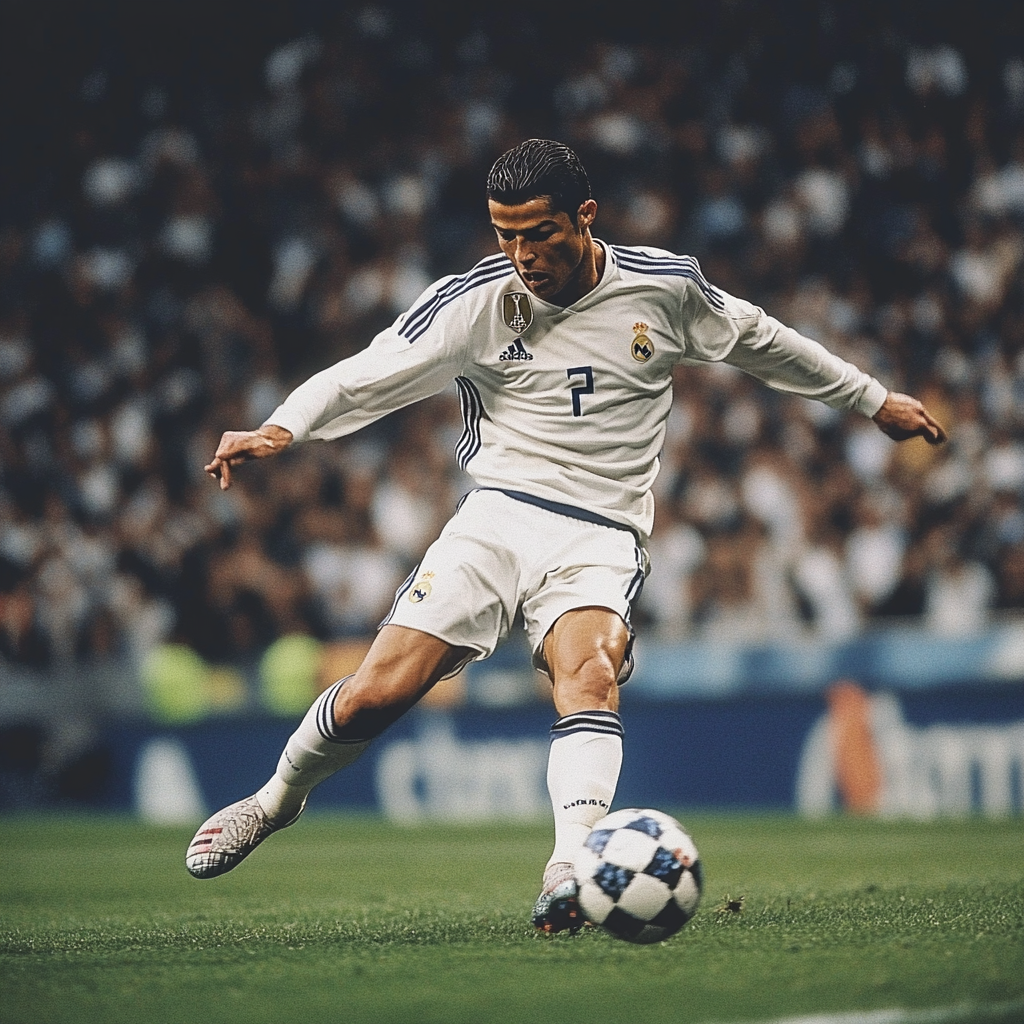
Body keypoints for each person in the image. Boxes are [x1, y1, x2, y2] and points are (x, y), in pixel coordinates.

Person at [185, 139, 946, 932]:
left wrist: (872, 399)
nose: (522, 255)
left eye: (540, 233)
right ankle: (276, 801)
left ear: (585, 217)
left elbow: (763, 342)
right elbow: (368, 372)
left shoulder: (664, 289)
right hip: (497, 517)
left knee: (588, 676)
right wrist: (282, 426)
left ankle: (570, 866)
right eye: (505, 235)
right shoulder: (475, 303)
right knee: (378, 691)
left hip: (602, 532)